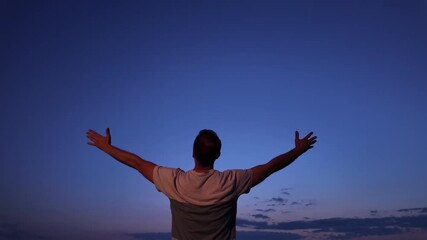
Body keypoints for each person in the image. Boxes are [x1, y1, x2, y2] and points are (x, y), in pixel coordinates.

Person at [86, 128, 317, 240]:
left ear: (192, 153)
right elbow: (271, 167)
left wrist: (106, 147)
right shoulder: (231, 182)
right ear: (218, 155)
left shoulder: (174, 181)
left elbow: (136, 163)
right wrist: (298, 151)